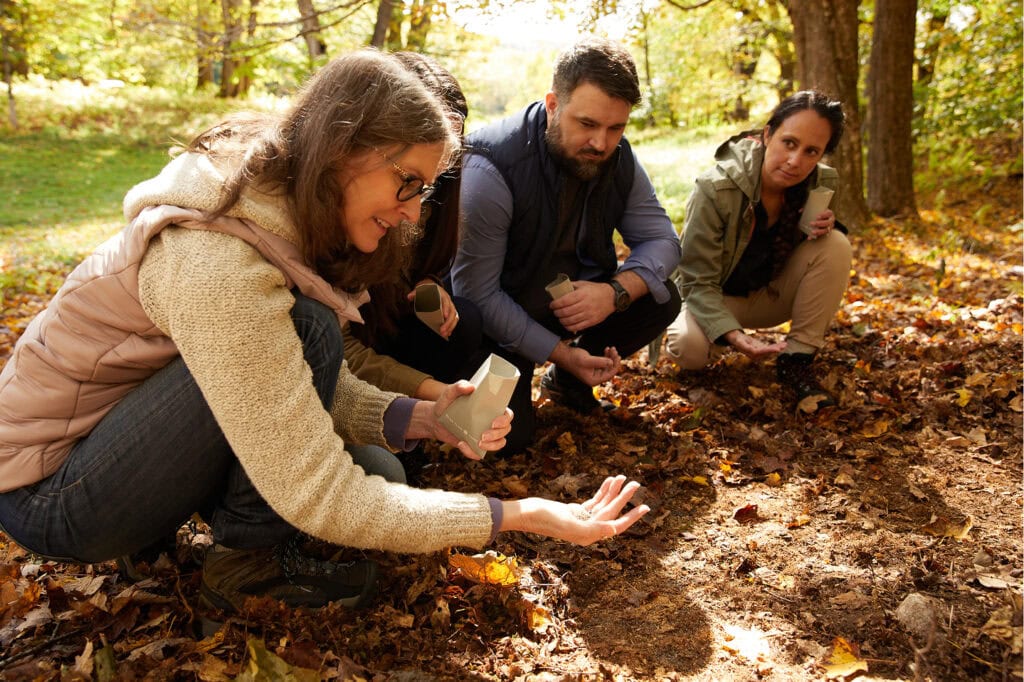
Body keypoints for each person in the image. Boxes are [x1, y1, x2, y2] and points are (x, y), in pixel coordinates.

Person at [0, 49, 649, 615]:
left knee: (314, 345)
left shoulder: (271, 214)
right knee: (312, 334)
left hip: (110, 451)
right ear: (344, 152)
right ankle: (245, 566)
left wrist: (419, 417)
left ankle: (173, 534)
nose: (412, 212)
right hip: (55, 495)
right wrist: (522, 516)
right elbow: (320, 492)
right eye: (406, 184)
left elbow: (281, 380)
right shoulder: (219, 264)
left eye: (425, 189)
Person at [451, 37, 682, 454]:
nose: (601, 143)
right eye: (588, 124)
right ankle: (555, 371)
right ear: (553, 104)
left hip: (570, 305)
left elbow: (664, 241)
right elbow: (476, 294)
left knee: (660, 299)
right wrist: (560, 353)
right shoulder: (490, 168)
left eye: (616, 128)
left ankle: (568, 385)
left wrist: (615, 292)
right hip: (495, 326)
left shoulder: (619, 158)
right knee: (504, 443)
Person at [663, 90, 852, 410]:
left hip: (772, 296)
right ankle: (712, 337)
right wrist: (734, 336)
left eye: (811, 151)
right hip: (715, 298)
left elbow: (820, 258)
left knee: (836, 243)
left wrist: (830, 225)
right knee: (689, 350)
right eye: (789, 143)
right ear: (767, 135)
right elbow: (695, 281)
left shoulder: (823, 182)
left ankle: (796, 360)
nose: (796, 161)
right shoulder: (715, 188)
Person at [344, 52, 482, 403]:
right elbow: (341, 351)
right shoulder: (351, 206)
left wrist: (427, 282)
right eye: (409, 178)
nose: (414, 211)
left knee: (464, 322)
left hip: (392, 323)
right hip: (352, 345)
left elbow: (423, 259)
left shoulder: (434, 197)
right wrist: (435, 396)